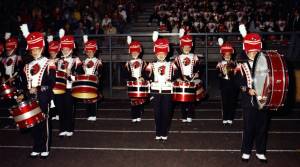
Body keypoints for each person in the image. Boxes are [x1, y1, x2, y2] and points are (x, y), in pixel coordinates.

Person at [19, 24, 56, 158]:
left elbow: (52, 82)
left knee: (43, 123)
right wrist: (22, 94)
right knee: (33, 124)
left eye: (37, 49)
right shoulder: (26, 66)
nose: (35, 52)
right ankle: (36, 146)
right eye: (32, 49)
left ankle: (45, 147)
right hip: (30, 98)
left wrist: (39, 88)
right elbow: (24, 84)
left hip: (44, 97)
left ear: (42, 48)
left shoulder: (49, 63)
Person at [235, 24, 269, 163]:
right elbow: (238, 83)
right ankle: (246, 151)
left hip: (264, 100)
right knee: (249, 126)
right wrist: (247, 90)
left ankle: (260, 151)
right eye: (251, 51)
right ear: (246, 51)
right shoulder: (241, 66)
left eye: (256, 51)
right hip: (248, 101)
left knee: (262, 127)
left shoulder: (266, 64)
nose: (253, 54)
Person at [145, 31, 177, 141]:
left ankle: (164, 132)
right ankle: (158, 132)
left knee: (166, 113)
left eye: (163, 53)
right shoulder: (151, 64)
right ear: (156, 54)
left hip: (168, 92)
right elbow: (146, 75)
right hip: (155, 91)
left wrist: (174, 79)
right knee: (157, 113)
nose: (161, 55)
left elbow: (177, 75)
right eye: (159, 53)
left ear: (167, 53)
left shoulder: (172, 64)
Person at [173, 29, 205, 123]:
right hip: (182, 79)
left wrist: (197, 73)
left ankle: (190, 115)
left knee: (191, 99)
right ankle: (184, 115)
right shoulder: (178, 58)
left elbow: (199, 67)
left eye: (188, 47)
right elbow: (175, 69)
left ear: (191, 47)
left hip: (192, 79)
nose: (187, 48)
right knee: (183, 99)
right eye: (185, 47)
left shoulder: (195, 57)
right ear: (182, 47)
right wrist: (179, 78)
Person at [56, 29, 82, 137]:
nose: (65, 50)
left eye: (67, 49)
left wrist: (70, 73)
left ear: (71, 49)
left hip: (70, 87)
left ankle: (69, 128)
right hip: (59, 88)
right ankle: (62, 128)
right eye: (63, 49)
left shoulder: (76, 60)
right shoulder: (58, 61)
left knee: (69, 108)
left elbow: (79, 75)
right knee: (60, 108)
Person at [124, 36, 147, 123]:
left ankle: (139, 113)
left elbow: (146, 73)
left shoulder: (144, 62)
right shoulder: (128, 63)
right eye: (133, 52)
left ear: (139, 52)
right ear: (130, 52)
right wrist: (133, 79)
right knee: (133, 101)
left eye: (136, 52)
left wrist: (142, 77)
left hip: (141, 83)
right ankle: (134, 115)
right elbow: (126, 74)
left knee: (140, 100)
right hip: (132, 83)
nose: (134, 53)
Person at [216, 38, 238, 125]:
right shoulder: (219, 64)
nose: (227, 56)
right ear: (223, 55)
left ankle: (230, 118)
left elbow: (237, 75)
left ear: (231, 55)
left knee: (232, 103)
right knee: (225, 103)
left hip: (233, 86)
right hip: (224, 86)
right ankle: (225, 118)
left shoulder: (235, 63)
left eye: (229, 54)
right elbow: (217, 74)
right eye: (225, 54)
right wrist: (222, 73)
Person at [80, 35, 103, 121]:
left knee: (93, 99)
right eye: (88, 51)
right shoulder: (84, 61)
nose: (89, 53)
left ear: (94, 51)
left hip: (93, 82)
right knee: (86, 98)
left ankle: (93, 114)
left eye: (91, 51)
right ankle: (88, 114)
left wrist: (97, 77)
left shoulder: (98, 61)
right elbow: (82, 72)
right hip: (86, 82)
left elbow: (100, 71)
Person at [47, 35, 60, 121]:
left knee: (58, 98)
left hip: (58, 81)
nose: (52, 54)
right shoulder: (47, 60)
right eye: (51, 52)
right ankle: (53, 113)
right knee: (51, 98)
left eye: (54, 52)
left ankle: (58, 113)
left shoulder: (60, 60)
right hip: (50, 81)